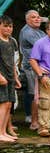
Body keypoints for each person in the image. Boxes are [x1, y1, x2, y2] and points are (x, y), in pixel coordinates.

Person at [18, 10, 46, 130]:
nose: (37, 19)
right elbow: (44, 46)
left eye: (38, 17)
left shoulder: (39, 31)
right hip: (31, 67)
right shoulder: (27, 32)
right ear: (27, 20)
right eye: (33, 17)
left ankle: (41, 119)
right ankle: (33, 121)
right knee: (35, 94)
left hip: (41, 66)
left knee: (41, 94)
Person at [0, 15, 21, 143]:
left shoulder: (12, 41)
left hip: (10, 76)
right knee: (2, 103)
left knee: (9, 104)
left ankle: (3, 131)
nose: (8, 28)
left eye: (10, 26)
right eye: (5, 26)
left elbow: (13, 62)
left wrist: (15, 77)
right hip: (1, 76)